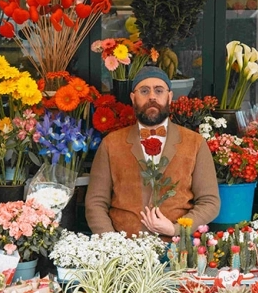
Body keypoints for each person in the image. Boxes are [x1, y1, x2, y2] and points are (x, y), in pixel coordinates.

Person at [85, 66, 220, 239]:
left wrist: (176, 229)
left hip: (177, 249)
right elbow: (95, 202)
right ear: (133, 98)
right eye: (144, 91)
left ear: (170, 97)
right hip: (125, 250)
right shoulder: (111, 144)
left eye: (159, 90)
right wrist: (113, 244)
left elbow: (210, 202)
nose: (152, 97)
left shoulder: (195, 143)